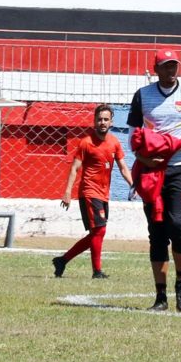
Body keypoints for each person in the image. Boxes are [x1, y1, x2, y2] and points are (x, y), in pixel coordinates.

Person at [126, 51, 181, 312]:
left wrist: (173, 144)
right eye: (165, 66)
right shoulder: (142, 95)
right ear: (156, 69)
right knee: (157, 232)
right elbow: (134, 137)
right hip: (152, 169)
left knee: (178, 224)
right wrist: (145, 156)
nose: (171, 70)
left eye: (174, 65)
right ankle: (161, 297)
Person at [54, 105, 126, 280]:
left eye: (106, 119)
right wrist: (67, 193)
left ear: (111, 121)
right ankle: (96, 271)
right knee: (99, 231)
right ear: (94, 121)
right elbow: (74, 168)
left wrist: (134, 185)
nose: (102, 122)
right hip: (89, 191)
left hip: (103, 193)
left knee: (97, 233)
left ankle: (62, 260)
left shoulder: (115, 142)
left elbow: (123, 167)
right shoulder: (86, 142)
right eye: (99, 119)